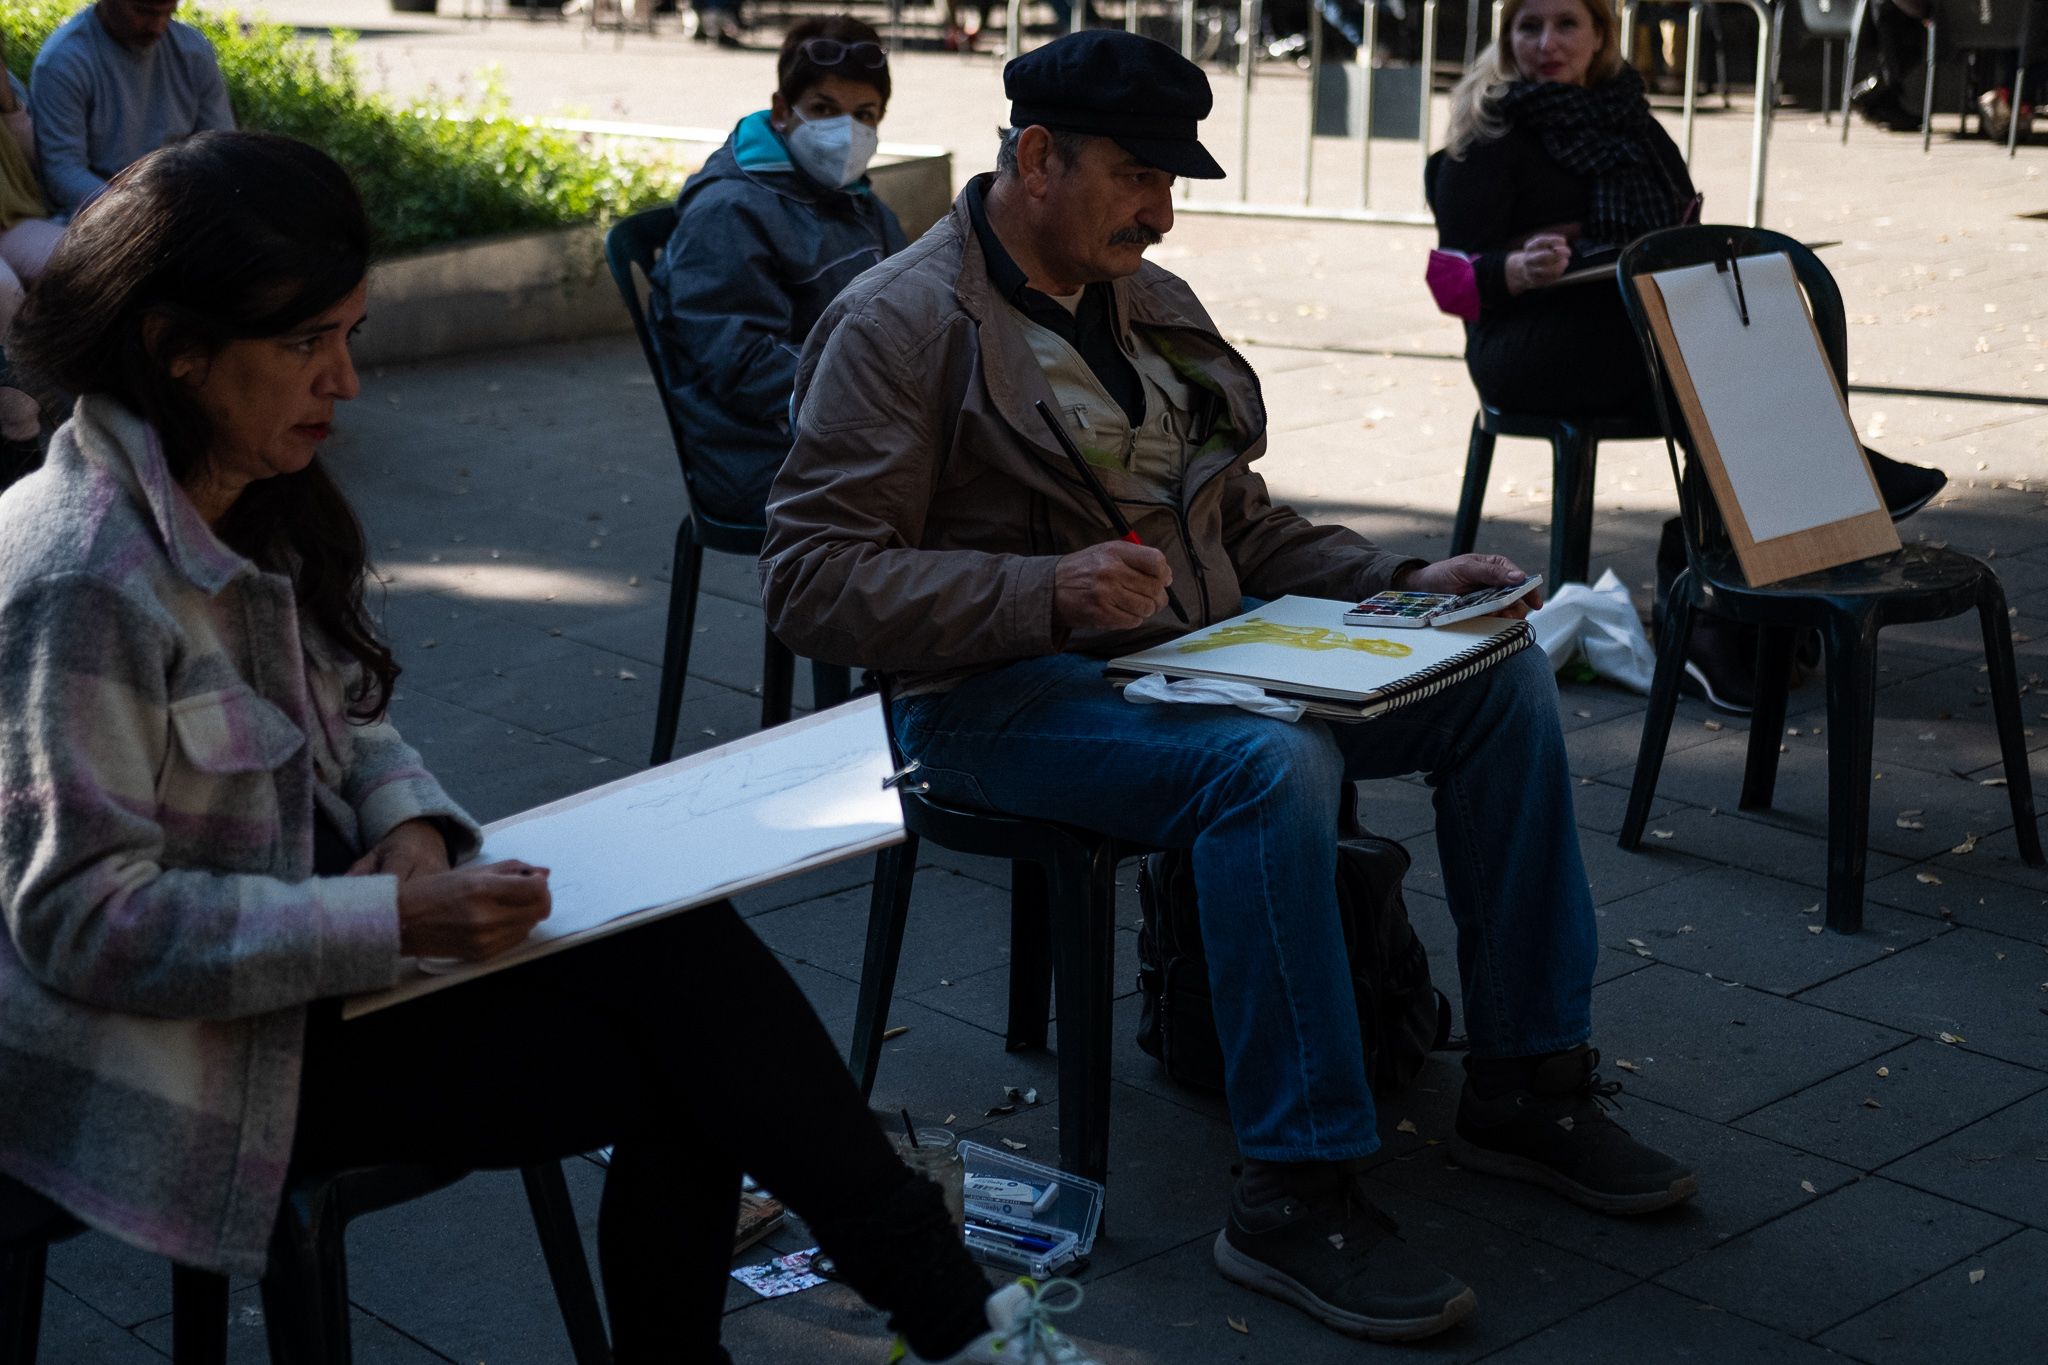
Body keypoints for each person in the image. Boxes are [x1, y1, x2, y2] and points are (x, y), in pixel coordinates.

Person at [0, 130, 1102, 1365]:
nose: (345, 382)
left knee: (681, 961)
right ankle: (960, 1321)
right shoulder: (80, 573)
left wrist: (412, 832)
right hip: (187, 1060)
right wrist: (392, 926)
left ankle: (949, 1318)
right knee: (697, 1057)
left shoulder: (241, 489)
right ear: (176, 349)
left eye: (351, 335)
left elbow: (351, 724)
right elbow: (83, 924)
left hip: (325, 965)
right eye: (306, 343)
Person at [761, 28, 1697, 1346]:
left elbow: (1240, 523)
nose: (1163, 205)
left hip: (1194, 660)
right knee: (1268, 767)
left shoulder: (1150, 298)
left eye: (1174, 180)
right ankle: (1293, 1186)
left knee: (1499, 680)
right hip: (987, 702)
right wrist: (1044, 594)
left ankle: (1528, 1081)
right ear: (1037, 158)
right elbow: (808, 580)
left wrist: (1402, 579)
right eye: (1139, 175)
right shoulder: (903, 325)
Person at [1432, 0, 1945, 710]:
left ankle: (1720, 602)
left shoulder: (1632, 122)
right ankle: (1824, 480)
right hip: (1526, 346)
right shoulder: (1490, 133)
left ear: (1600, 34)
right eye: (1529, 27)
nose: (1546, 43)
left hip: (1629, 338)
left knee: (1738, 319)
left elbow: (1680, 226)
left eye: (1565, 24)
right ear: (1506, 36)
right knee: (1700, 348)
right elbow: (1447, 278)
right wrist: (1510, 271)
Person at [648, 14, 905, 525]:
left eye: (865, 114)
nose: (846, 133)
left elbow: (912, 303)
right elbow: (743, 363)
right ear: (783, 111)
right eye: (825, 109)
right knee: (976, 504)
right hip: (764, 459)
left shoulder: (853, 200)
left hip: (846, 431)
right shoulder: (729, 211)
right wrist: (882, 395)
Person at [27, 0, 235, 219]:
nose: (158, 27)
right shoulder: (65, 61)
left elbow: (221, 149)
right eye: (144, 11)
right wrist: (135, 210)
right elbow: (63, 172)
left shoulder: (193, 53)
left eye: (168, 14)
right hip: (98, 217)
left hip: (182, 205)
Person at [0, 42, 63, 483]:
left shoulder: (7, 82)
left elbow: (31, 162)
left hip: (11, 219)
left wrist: (6, 101)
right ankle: (21, 435)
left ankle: (92, 411)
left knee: (81, 262)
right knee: (3, 290)